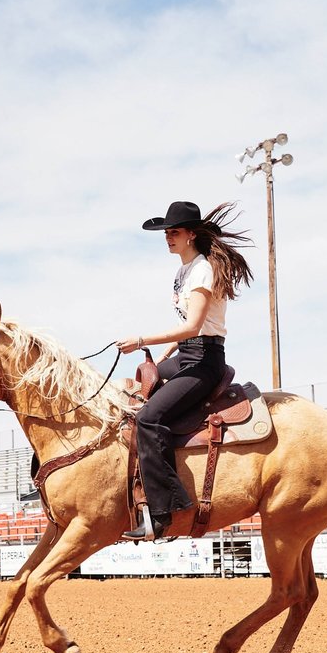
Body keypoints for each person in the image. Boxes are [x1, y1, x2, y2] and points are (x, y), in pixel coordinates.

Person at [116, 200, 253, 540]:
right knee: (135, 394)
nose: (168, 238)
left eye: (174, 232)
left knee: (149, 418)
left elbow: (194, 327)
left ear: (191, 234)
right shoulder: (185, 270)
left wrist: (141, 339)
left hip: (204, 361)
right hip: (189, 353)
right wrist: (162, 358)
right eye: (166, 233)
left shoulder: (203, 270)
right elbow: (189, 329)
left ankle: (163, 513)